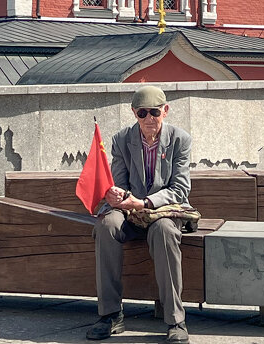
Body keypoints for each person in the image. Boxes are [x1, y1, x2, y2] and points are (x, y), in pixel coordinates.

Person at [86, 85, 192, 343]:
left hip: (162, 210)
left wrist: (144, 202)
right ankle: (110, 315)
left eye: (154, 112)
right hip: (129, 211)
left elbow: (179, 189)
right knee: (106, 226)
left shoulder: (180, 140)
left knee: (164, 231)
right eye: (142, 113)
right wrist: (116, 196)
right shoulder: (121, 140)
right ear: (134, 113)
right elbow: (118, 182)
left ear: (165, 111)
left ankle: (175, 320)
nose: (148, 119)